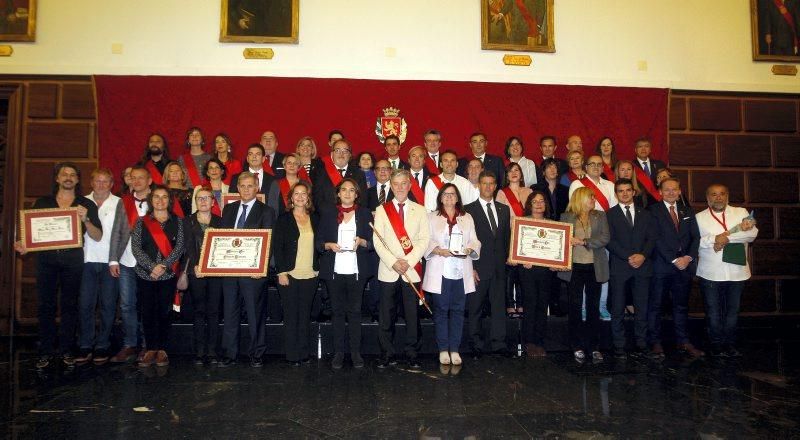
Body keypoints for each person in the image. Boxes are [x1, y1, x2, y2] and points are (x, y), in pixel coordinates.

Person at [15, 163, 102, 368]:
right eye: (64, 174)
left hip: (73, 261)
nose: (68, 177)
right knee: (46, 306)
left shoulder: (85, 204)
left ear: (78, 180)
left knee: (70, 306)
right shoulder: (43, 202)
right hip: (46, 261)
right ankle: (45, 350)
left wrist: (86, 219)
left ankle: (66, 350)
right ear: (57, 179)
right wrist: (25, 245)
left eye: (72, 174)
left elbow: (97, 236)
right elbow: (32, 235)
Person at [373, 169, 430, 369]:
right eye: (395, 184)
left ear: (410, 185)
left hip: (411, 269)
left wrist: (408, 260)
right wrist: (393, 262)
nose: (399, 187)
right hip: (388, 269)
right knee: (386, 315)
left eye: (403, 183)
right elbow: (377, 241)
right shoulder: (382, 210)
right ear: (390, 185)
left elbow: (424, 240)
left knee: (412, 314)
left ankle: (412, 352)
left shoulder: (420, 210)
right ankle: (387, 353)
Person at [219, 172, 276, 367]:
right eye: (242, 186)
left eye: (250, 186)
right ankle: (230, 353)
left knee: (255, 313)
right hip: (229, 271)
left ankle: (257, 353)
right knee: (230, 312)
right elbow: (221, 239)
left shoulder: (266, 211)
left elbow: (268, 241)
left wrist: (261, 267)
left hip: (253, 272)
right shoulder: (228, 209)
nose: (245, 189)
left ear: (257, 187)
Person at [696, 184, 758, 357]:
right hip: (711, 272)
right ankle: (716, 345)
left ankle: (729, 344)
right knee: (713, 312)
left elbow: (752, 234)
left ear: (727, 196)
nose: (718, 197)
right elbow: (696, 242)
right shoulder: (699, 218)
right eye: (714, 194)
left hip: (737, 272)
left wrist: (726, 238)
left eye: (722, 194)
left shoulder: (741, 213)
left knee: (733, 310)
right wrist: (713, 239)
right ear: (707, 198)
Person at [317, 179, 373, 369]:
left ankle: (356, 352)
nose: (348, 193)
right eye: (344, 190)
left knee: (355, 312)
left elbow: (374, 242)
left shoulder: (365, 214)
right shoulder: (328, 213)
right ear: (338, 193)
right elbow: (318, 242)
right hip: (335, 270)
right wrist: (328, 245)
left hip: (357, 270)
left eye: (352, 190)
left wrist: (363, 242)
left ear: (357, 194)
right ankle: (339, 352)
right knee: (337, 312)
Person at [424, 184, 480, 366]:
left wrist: (470, 248)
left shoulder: (467, 217)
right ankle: (442, 349)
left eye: (452, 195)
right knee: (440, 311)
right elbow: (426, 240)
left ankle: (455, 349)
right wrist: (438, 250)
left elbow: (474, 239)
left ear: (457, 198)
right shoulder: (431, 217)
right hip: (440, 269)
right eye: (446, 195)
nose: (449, 198)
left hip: (460, 269)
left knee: (457, 310)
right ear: (440, 198)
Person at [647, 177, 704, 359]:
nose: (671, 192)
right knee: (655, 306)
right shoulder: (653, 211)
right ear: (660, 192)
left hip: (684, 266)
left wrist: (687, 258)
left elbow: (696, 237)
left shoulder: (687, 210)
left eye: (674, 189)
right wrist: (673, 259)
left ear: (680, 192)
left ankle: (683, 341)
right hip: (661, 266)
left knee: (681, 306)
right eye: (667, 189)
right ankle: (655, 342)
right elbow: (655, 238)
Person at [130, 185, 184, 367]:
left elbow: (179, 248)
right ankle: (150, 348)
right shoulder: (141, 222)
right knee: (147, 312)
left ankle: (162, 349)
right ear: (150, 201)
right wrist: (152, 267)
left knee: (164, 312)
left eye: (164, 197)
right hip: (145, 275)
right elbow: (136, 248)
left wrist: (164, 266)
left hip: (167, 275)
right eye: (156, 197)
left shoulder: (178, 222)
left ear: (170, 201)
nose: (160, 201)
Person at [558, 187, 610, 363]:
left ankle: (594, 347)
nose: (594, 200)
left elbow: (605, 238)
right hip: (574, 268)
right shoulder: (566, 217)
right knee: (575, 307)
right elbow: (560, 241)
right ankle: (576, 346)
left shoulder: (600, 216)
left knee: (593, 308)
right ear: (581, 198)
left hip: (594, 267)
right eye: (591, 197)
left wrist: (583, 241)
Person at [606, 178, 656, 359]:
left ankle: (641, 343)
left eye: (628, 190)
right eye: (621, 191)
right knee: (618, 308)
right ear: (616, 194)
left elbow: (652, 239)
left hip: (642, 266)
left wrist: (642, 255)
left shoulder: (646, 214)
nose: (625, 193)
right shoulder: (609, 214)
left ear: (634, 192)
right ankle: (619, 345)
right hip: (621, 266)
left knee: (642, 308)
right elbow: (609, 241)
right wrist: (628, 256)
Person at [465, 171, 512, 357]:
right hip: (478, 267)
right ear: (478, 185)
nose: (488, 187)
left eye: (491, 183)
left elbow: (506, 239)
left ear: (495, 186)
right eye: (484, 183)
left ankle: (498, 343)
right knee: (475, 307)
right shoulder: (468, 210)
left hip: (500, 267)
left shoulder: (504, 209)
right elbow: (467, 241)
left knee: (499, 306)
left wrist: (510, 257)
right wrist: (471, 267)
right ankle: (475, 343)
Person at [76, 168, 121, 365]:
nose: (101, 184)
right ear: (91, 183)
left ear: (111, 184)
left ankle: (102, 344)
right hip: (85, 260)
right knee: (85, 304)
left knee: (108, 305)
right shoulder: (79, 202)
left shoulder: (119, 202)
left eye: (106, 181)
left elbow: (121, 233)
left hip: (110, 260)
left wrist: (116, 259)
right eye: (98, 181)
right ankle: (85, 344)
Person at [108, 165, 151, 363]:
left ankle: (147, 345)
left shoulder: (158, 198)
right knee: (126, 305)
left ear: (149, 180)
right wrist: (113, 259)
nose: (137, 181)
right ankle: (129, 344)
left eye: (141, 178)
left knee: (147, 305)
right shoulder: (123, 201)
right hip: (126, 261)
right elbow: (116, 231)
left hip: (150, 263)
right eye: (133, 178)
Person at [273, 181, 319, 366]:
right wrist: (281, 272)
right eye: (296, 194)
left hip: (310, 274)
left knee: (305, 315)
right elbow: (278, 247)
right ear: (291, 198)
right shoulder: (283, 219)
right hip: (289, 274)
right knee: (292, 316)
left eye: (303, 194)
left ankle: (304, 352)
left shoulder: (315, 217)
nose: (300, 197)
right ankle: (292, 355)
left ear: (308, 198)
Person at [184, 186, 224, 364]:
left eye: (207, 198)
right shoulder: (187, 221)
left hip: (216, 273)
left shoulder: (221, 221)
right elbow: (186, 247)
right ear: (195, 201)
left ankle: (212, 351)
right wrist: (195, 266)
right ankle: (200, 352)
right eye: (199, 198)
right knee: (199, 311)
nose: (203, 201)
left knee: (214, 312)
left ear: (213, 201)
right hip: (196, 272)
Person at [512, 191, 553, 357]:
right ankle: (529, 342)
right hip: (527, 270)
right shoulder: (522, 223)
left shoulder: (552, 225)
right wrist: (522, 259)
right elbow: (515, 248)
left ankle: (540, 342)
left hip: (545, 271)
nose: (538, 204)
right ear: (529, 204)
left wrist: (556, 264)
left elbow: (554, 251)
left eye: (542, 201)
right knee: (530, 304)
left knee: (542, 306)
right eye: (535, 201)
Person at [531, 158, 569, 317]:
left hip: (558, 234)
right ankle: (542, 306)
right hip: (541, 232)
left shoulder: (565, 189)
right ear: (543, 171)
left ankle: (555, 303)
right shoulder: (536, 188)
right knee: (542, 271)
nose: (552, 170)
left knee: (556, 273)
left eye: (555, 168)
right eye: (549, 167)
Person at [495, 162, 532, 317]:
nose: (514, 173)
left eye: (517, 170)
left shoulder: (529, 191)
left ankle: (522, 304)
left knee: (524, 272)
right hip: (509, 235)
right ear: (506, 175)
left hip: (527, 236)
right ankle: (510, 305)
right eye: (510, 171)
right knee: (510, 272)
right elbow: (499, 218)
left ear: (521, 174)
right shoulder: (502, 193)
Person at [310, 138, 367, 215]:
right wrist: (330, 214)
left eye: (345, 151)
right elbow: (317, 199)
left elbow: (362, 200)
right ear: (332, 154)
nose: (341, 154)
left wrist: (350, 214)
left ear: (350, 155)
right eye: (337, 150)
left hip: (353, 218)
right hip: (327, 217)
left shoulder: (359, 174)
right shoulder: (321, 173)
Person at [230, 143, 282, 214]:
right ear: (247, 159)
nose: (254, 156)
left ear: (263, 159)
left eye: (257, 154)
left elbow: (275, 206)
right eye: (251, 154)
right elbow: (232, 201)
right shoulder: (236, 178)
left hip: (265, 221)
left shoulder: (272, 180)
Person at [632, 137, 666, 205]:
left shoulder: (659, 164)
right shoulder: (631, 165)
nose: (643, 149)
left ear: (650, 150)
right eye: (640, 146)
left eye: (646, 146)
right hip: (639, 201)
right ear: (635, 150)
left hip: (658, 201)